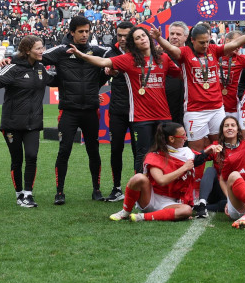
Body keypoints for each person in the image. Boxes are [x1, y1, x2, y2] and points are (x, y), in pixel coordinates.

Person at [68, 26, 180, 178]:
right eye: (138, 38)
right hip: (141, 117)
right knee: (143, 155)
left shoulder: (163, 58)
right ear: (133, 44)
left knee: (166, 153)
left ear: (149, 37)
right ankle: (142, 192)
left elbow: (181, 74)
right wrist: (80, 54)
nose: (142, 39)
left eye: (144, 35)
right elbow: (102, 61)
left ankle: (163, 191)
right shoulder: (128, 60)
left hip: (163, 116)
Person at [152, 21, 245, 150]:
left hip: (216, 109)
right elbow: (171, 49)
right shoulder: (185, 53)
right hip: (195, 111)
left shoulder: (213, 50)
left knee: (222, 148)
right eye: (201, 42)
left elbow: (235, 43)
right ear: (192, 40)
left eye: (207, 41)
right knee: (197, 151)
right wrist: (159, 38)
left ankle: (220, 171)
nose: (205, 45)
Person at [0, 35, 56, 208]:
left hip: (33, 123)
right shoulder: (13, 68)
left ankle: (28, 194)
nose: (42, 52)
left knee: (32, 156)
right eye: (38, 49)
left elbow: (57, 79)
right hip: (12, 124)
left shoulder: (41, 68)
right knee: (17, 159)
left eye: (43, 48)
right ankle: (19, 193)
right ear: (27, 51)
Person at [42, 15, 110, 205]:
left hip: (91, 111)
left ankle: (96, 190)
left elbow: (115, 56)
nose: (84, 35)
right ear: (72, 32)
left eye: (87, 31)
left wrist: (104, 77)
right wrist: (53, 79)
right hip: (68, 111)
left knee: (93, 151)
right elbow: (37, 58)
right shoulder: (60, 51)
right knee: (64, 151)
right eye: (80, 31)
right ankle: (60, 192)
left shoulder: (96, 51)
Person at [109, 122, 220, 222]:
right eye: (183, 136)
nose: (185, 138)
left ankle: (142, 217)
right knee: (138, 178)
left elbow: (197, 159)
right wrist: (183, 168)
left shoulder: (185, 152)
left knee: (186, 210)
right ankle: (125, 212)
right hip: (151, 198)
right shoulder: (154, 156)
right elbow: (161, 180)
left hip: (172, 202)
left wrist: (208, 150)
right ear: (171, 139)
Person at [105, 21, 134, 203]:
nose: (122, 39)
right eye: (119, 36)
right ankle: (116, 188)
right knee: (116, 149)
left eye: (126, 36)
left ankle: (141, 187)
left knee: (140, 151)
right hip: (117, 110)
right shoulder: (110, 53)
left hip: (139, 110)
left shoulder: (141, 52)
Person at [165, 22, 188, 126]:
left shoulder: (191, 54)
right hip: (166, 106)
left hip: (189, 106)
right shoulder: (160, 55)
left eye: (178, 34)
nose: (174, 37)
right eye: (172, 33)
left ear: (186, 37)